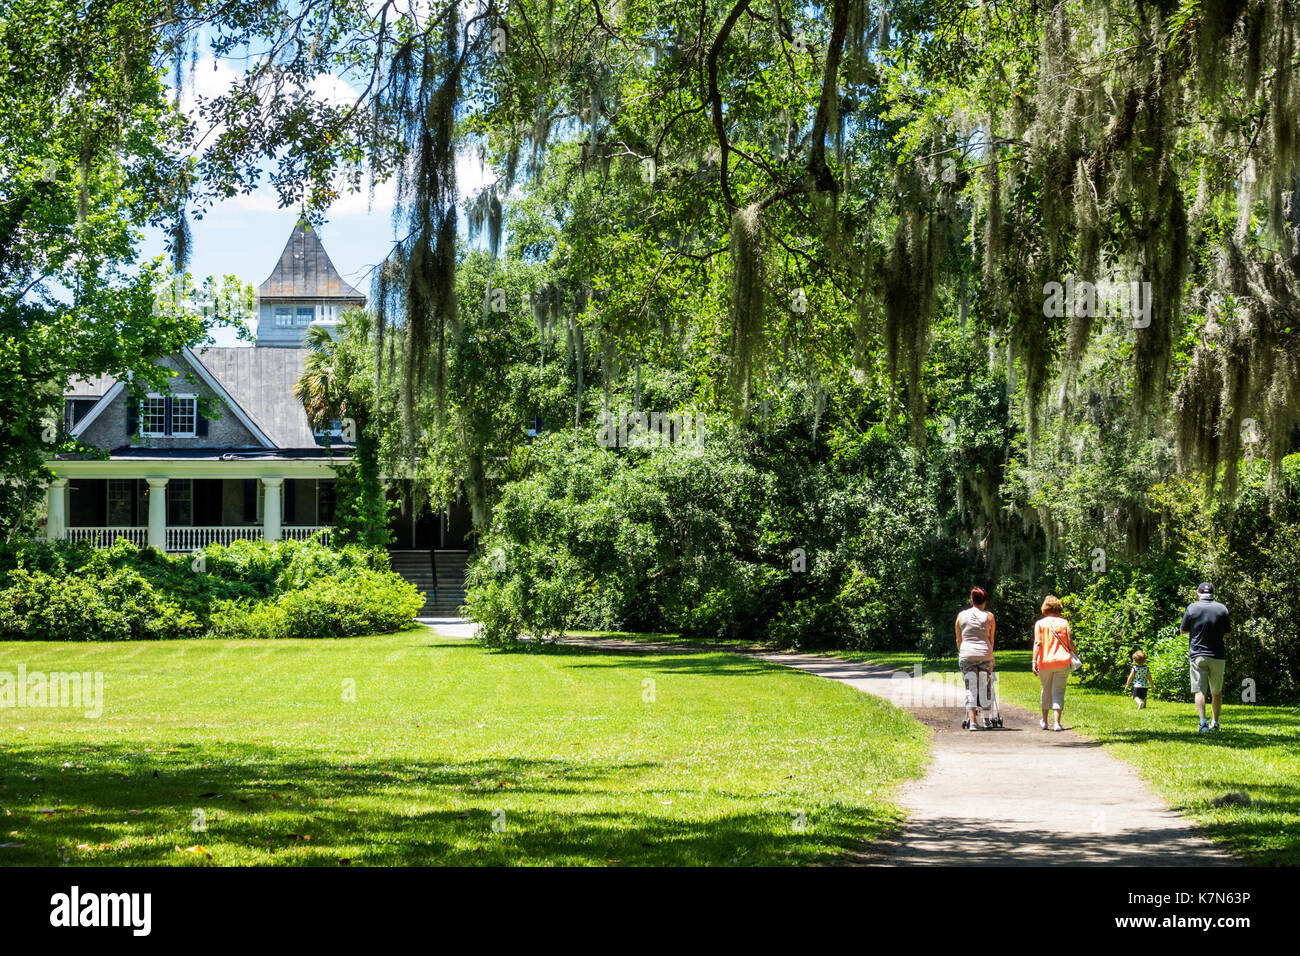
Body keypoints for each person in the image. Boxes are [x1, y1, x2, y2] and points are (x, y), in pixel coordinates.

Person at [1180, 582, 1230, 733]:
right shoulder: (1222, 609)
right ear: (1213, 593)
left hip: (1198, 654)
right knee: (1216, 691)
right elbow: (1227, 633)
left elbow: (1182, 630)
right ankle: (1214, 723)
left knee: (1200, 690)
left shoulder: (1192, 608)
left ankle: (1202, 723)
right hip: (1217, 655)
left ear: (1198, 593)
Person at [1032, 595, 1076, 731]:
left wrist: (1034, 660)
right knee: (1058, 691)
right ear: (1058, 607)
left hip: (1045, 661)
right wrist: (1075, 653)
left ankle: (1044, 721)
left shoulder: (1040, 623)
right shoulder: (1064, 623)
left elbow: (1038, 643)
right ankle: (1057, 723)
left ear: (1045, 607)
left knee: (1045, 690)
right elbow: (1070, 642)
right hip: (1062, 661)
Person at [955, 587, 996, 731]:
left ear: (972, 600)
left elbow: (959, 639)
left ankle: (972, 722)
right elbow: (991, 640)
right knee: (985, 687)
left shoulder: (961, 616)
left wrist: (963, 653)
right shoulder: (989, 616)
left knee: (970, 688)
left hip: (967, 654)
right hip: (985, 654)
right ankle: (986, 720)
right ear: (985, 600)